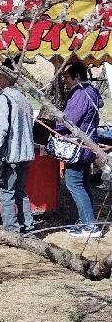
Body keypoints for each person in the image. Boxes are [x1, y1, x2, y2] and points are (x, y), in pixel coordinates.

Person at [0, 60, 35, 234]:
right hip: (24, 154)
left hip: (9, 156)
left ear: (4, 77)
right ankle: (28, 227)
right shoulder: (23, 98)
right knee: (20, 192)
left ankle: (11, 231)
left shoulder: (2, 99)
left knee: (5, 193)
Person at [58, 62, 103, 236]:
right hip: (88, 144)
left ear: (77, 77)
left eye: (67, 77)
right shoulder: (90, 91)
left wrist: (56, 125)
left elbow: (70, 119)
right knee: (82, 184)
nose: (65, 80)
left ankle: (90, 225)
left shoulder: (81, 94)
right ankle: (85, 221)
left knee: (74, 184)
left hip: (79, 146)